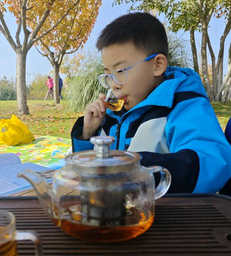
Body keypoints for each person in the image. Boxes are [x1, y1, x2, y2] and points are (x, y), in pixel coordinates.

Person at [71, 12, 231, 194]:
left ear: (157, 65)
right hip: (117, 211)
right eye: (108, 75)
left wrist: (132, 169)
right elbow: (86, 175)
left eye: (121, 71)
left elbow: (213, 162)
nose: (114, 84)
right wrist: (88, 133)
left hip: (167, 214)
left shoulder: (183, 105)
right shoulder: (112, 113)